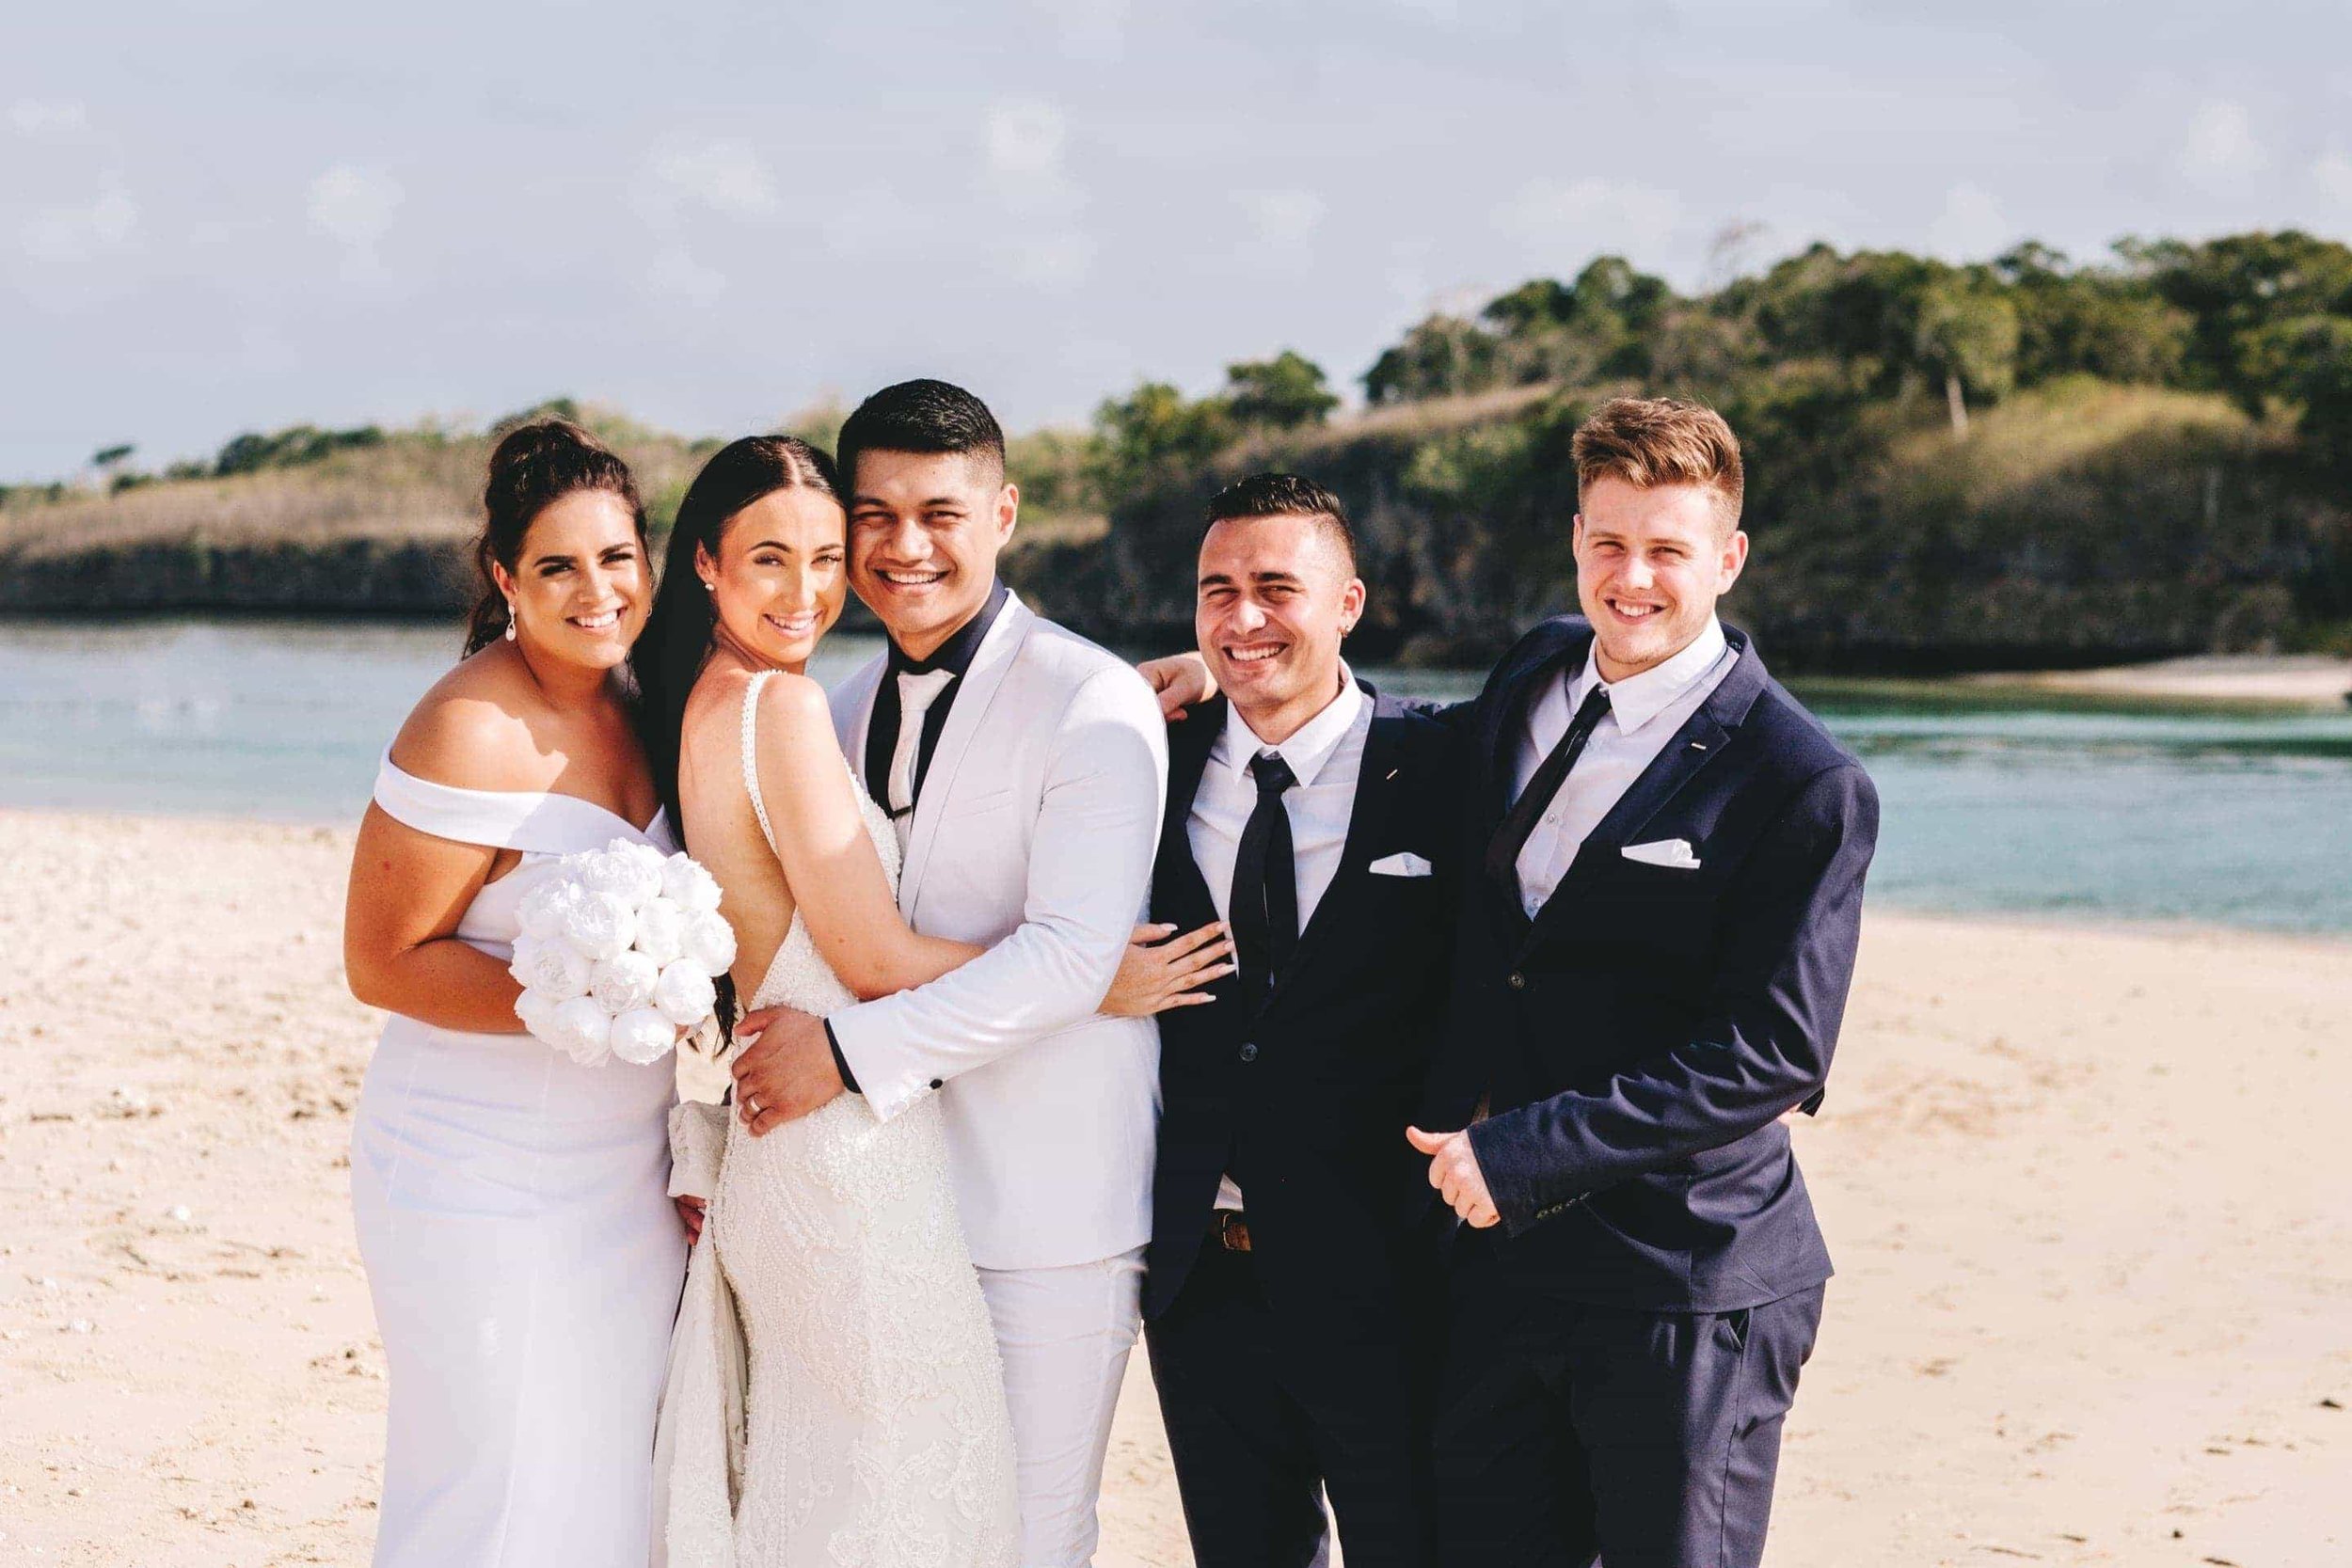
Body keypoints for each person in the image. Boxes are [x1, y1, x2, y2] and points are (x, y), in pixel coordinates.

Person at [1144, 396, 1879, 1568]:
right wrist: (1215, 661)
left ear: (1728, 559)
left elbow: (1774, 1056)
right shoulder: (1536, 672)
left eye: (1666, 551)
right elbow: (1388, 734)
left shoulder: (1801, 781)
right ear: (1576, 538)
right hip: (1492, 1273)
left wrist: (1522, 1151)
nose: (1631, 578)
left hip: (1681, 1271)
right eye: (1607, 543)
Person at [723, 381, 1170, 1568]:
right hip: (879, 1202)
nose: (903, 546)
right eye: (873, 514)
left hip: (1047, 1202)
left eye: (940, 512)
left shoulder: (1092, 695)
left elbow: (1075, 953)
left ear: (1006, 513)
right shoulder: (836, 703)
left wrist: (846, 1052)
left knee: (1025, 1534)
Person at [636, 434, 1026, 1565]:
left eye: (822, 557)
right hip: (852, 1160)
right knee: (900, 1500)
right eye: (770, 558)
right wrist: (1081, 970)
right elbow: (873, 957)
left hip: (788, 1157)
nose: (806, 591)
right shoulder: (780, 710)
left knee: (828, 1497)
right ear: (705, 563)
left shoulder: (705, 707)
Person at [342, 420, 685, 1568]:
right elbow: (383, 958)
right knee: (491, 1489)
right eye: (557, 566)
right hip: (473, 1171)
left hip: (624, 1181)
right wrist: (582, 994)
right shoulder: (467, 727)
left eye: (617, 556)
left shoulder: (649, 693)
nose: (597, 590)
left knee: (605, 1479)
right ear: (505, 579)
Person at [1106, 473, 1461, 1568]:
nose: (1242, 617)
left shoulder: (1448, 763)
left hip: (1390, 1271)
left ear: (1348, 601)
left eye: (1275, 587)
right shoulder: (1139, 761)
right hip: (1199, 1276)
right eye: (1217, 590)